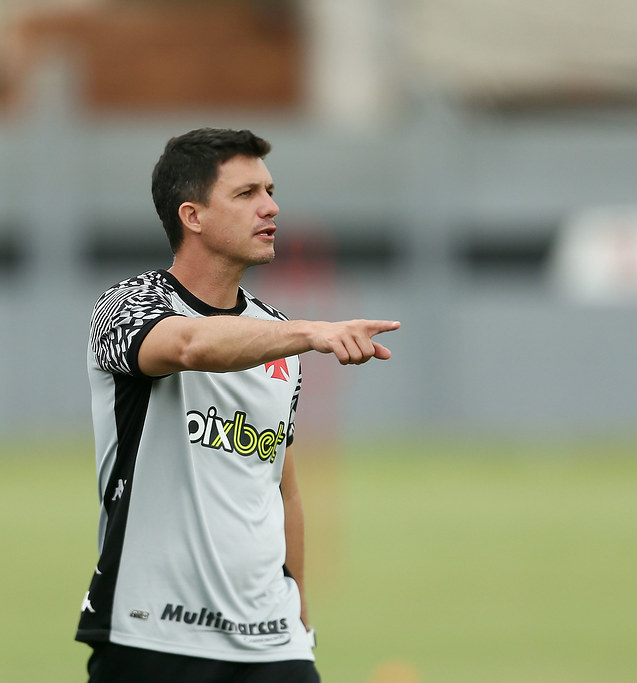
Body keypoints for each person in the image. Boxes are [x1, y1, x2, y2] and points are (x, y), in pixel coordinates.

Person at [75, 128, 400, 682]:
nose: (270, 207)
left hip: (270, 639)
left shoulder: (276, 334)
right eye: (246, 193)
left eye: (270, 191)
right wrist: (312, 333)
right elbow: (190, 345)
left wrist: (298, 613)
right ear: (193, 216)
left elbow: (282, 488)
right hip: (153, 630)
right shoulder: (125, 307)